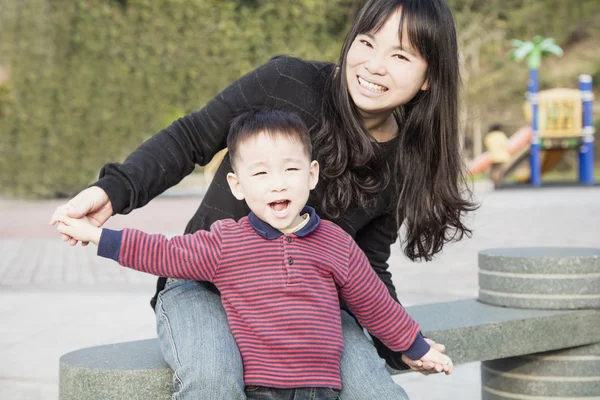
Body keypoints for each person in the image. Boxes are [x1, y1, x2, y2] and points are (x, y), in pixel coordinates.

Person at [50, 0, 475, 398]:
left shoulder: (403, 161)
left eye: (400, 56)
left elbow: (367, 267)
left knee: (375, 391)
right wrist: (113, 191)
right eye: (366, 42)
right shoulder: (287, 83)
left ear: (429, 76)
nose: (374, 65)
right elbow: (191, 138)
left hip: (312, 302)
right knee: (213, 377)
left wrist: (400, 344)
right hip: (206, 285)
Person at [52, 109, 453, 399]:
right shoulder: (227, 243)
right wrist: (96, 235)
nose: (277, 184)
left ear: (311, 175)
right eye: (260, 173)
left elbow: (374, 303)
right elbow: (163, 253)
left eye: (290, 170)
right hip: (262, 390)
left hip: (322, 389)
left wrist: (415, 346)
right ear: (237, 185)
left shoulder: (335, 243)